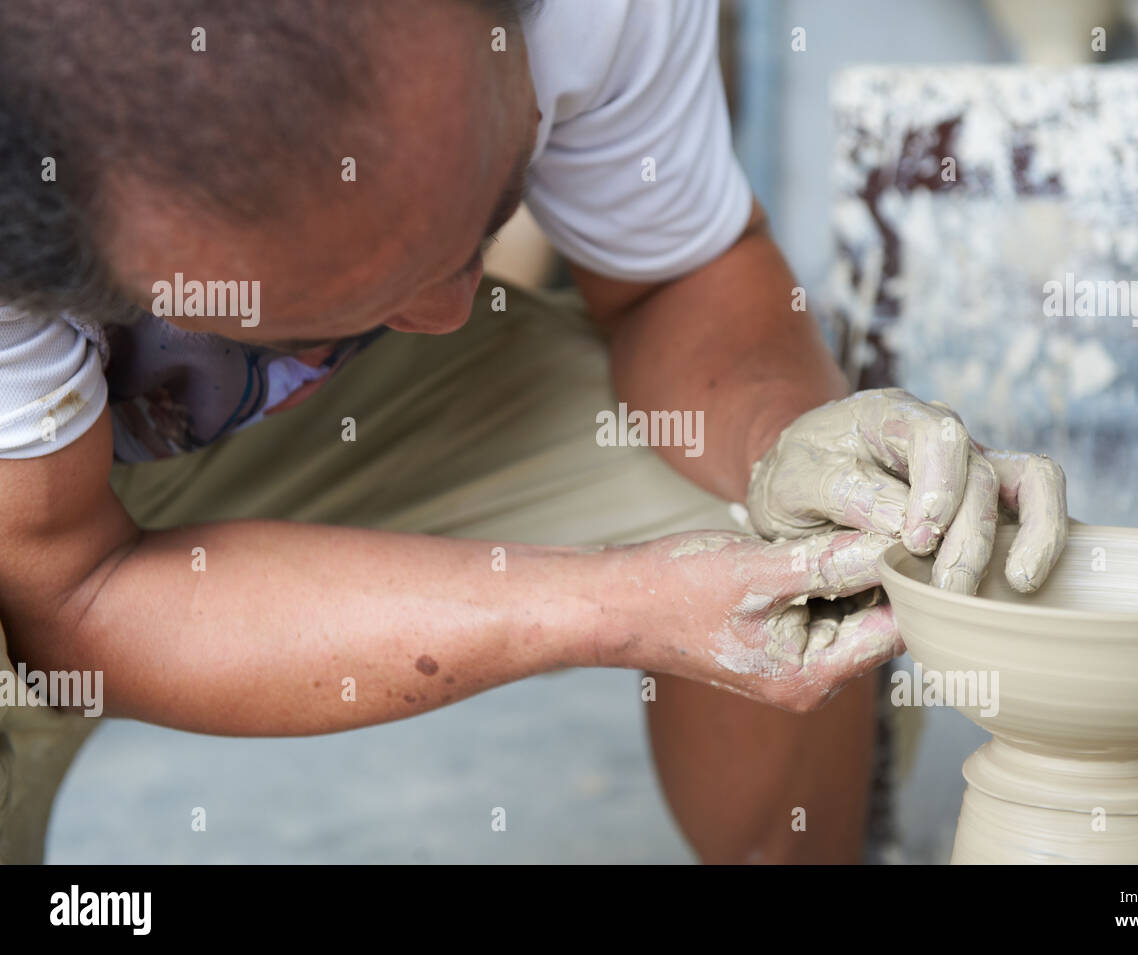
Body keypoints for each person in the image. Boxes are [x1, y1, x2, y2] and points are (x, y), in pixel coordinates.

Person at [0, 0, 1066, 863]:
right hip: (36, 539)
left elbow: (672, 280)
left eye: (487, 217)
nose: (457, 311)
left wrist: (789, 440)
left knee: (779, 530)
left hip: (313, 433)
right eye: (333, 307)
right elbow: (75, 595)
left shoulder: (591, 11)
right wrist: (609, 608)